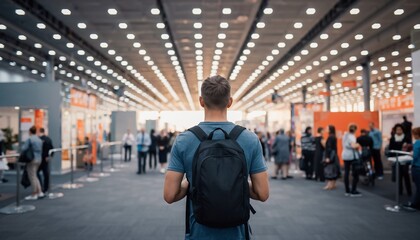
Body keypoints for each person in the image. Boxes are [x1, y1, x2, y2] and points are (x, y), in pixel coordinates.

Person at [163, 75, 269, 239]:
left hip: (199, 232)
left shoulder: (184, 140)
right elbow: (262, 193)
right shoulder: (250, 139)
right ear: (230, 102)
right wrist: (234, 183)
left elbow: (170, 195)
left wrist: (192, 181)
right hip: (237, 234)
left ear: (201, 101)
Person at [389, 124, 412, 196]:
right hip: (396, 159)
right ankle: (400, 191)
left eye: (400, 129)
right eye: (397, 129)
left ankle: (409, 191)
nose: (399, 131)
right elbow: (390, 149)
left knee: (406, 175)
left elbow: (410, 147)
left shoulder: (406, 137)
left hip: (405, 159)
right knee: (398, 176)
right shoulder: (392, 138)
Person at [22, 126, 44, 200]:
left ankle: (34, 194)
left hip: (32, 159)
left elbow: (24, 148)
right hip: (39, 159)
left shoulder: (30, 139)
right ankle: (40, 192)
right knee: (35, 176)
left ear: (30, 132)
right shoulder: (39, 139)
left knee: (32, 176)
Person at [342, 124, 362, 197]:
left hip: (345, 155)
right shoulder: (351, 137)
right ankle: (353, 190)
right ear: (355, 129)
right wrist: (358, 145)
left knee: (346, 172)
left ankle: (347, 190)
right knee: (355, 173)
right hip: (351, 156)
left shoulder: (345, 135)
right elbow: (353, 145)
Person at [403, 127, 420, 210]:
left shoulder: (417, 143)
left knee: (418, 187)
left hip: (417, 167)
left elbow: (415, 156)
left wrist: (411, 154)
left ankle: (415, 204)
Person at [37, 128, 54, 194]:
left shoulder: (40, 139)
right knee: (45, 173)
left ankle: (41, 186)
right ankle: (45, 187)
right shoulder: (48, 139)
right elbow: (52, 148)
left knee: (37, 172)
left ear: (39, 132)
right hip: (45, 158)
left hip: (41, 158)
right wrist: (50, 156)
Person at [323, 125, 339, 190]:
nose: (326, 129)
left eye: (327, 128)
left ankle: (329, 185)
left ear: (330, 130)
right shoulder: (334, 136)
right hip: (334, 155)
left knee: (329, 169)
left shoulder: (330, 137)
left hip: (330, 155)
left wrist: (327, 156)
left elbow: (328, 148)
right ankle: (333, 184)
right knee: (334, 169)